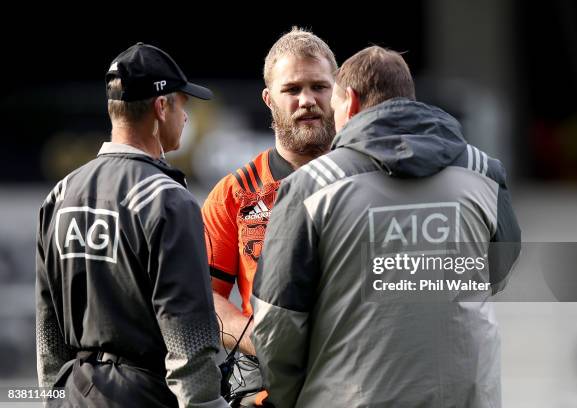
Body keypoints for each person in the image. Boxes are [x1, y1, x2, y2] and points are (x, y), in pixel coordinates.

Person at [251, 46, 522, 407]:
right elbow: (498, 270)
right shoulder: (484, 170)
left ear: (350, 101)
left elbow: (278, 323)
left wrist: (289, 396)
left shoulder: (311, 186)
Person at [36, 42, 228, 407]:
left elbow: (48, 334)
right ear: (161, 107)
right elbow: (187, 339)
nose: (185, 118)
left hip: (75, 392)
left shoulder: (59, 197)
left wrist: (55, 398)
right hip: (145, 395)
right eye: (182, 105)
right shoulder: (170, 200)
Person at [201, 27, 336, 404]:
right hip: (268, 393)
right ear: (268, 99)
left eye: (318, 87)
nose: (307, 100)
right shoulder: (233, 194)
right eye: (292, 90)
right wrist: (259, 341)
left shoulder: (372, 182)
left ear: (339, 92)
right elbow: (202, 297)